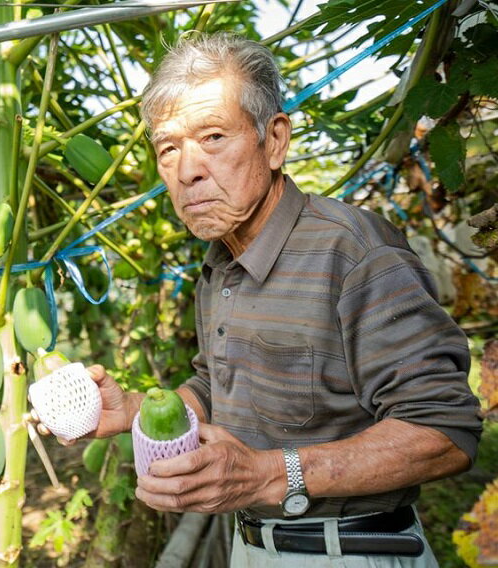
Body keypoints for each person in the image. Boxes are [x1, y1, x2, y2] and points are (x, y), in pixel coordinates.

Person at [50, 33, 483, 566]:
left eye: (212, 137)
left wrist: (270, 474)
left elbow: (444, 431)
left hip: (349, 550)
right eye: (168, 148)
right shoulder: (219, 263)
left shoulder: (353, 253)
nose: (187, 170)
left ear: (274, 140)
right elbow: (217, 386)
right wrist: (135, 410)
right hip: (253, 546)